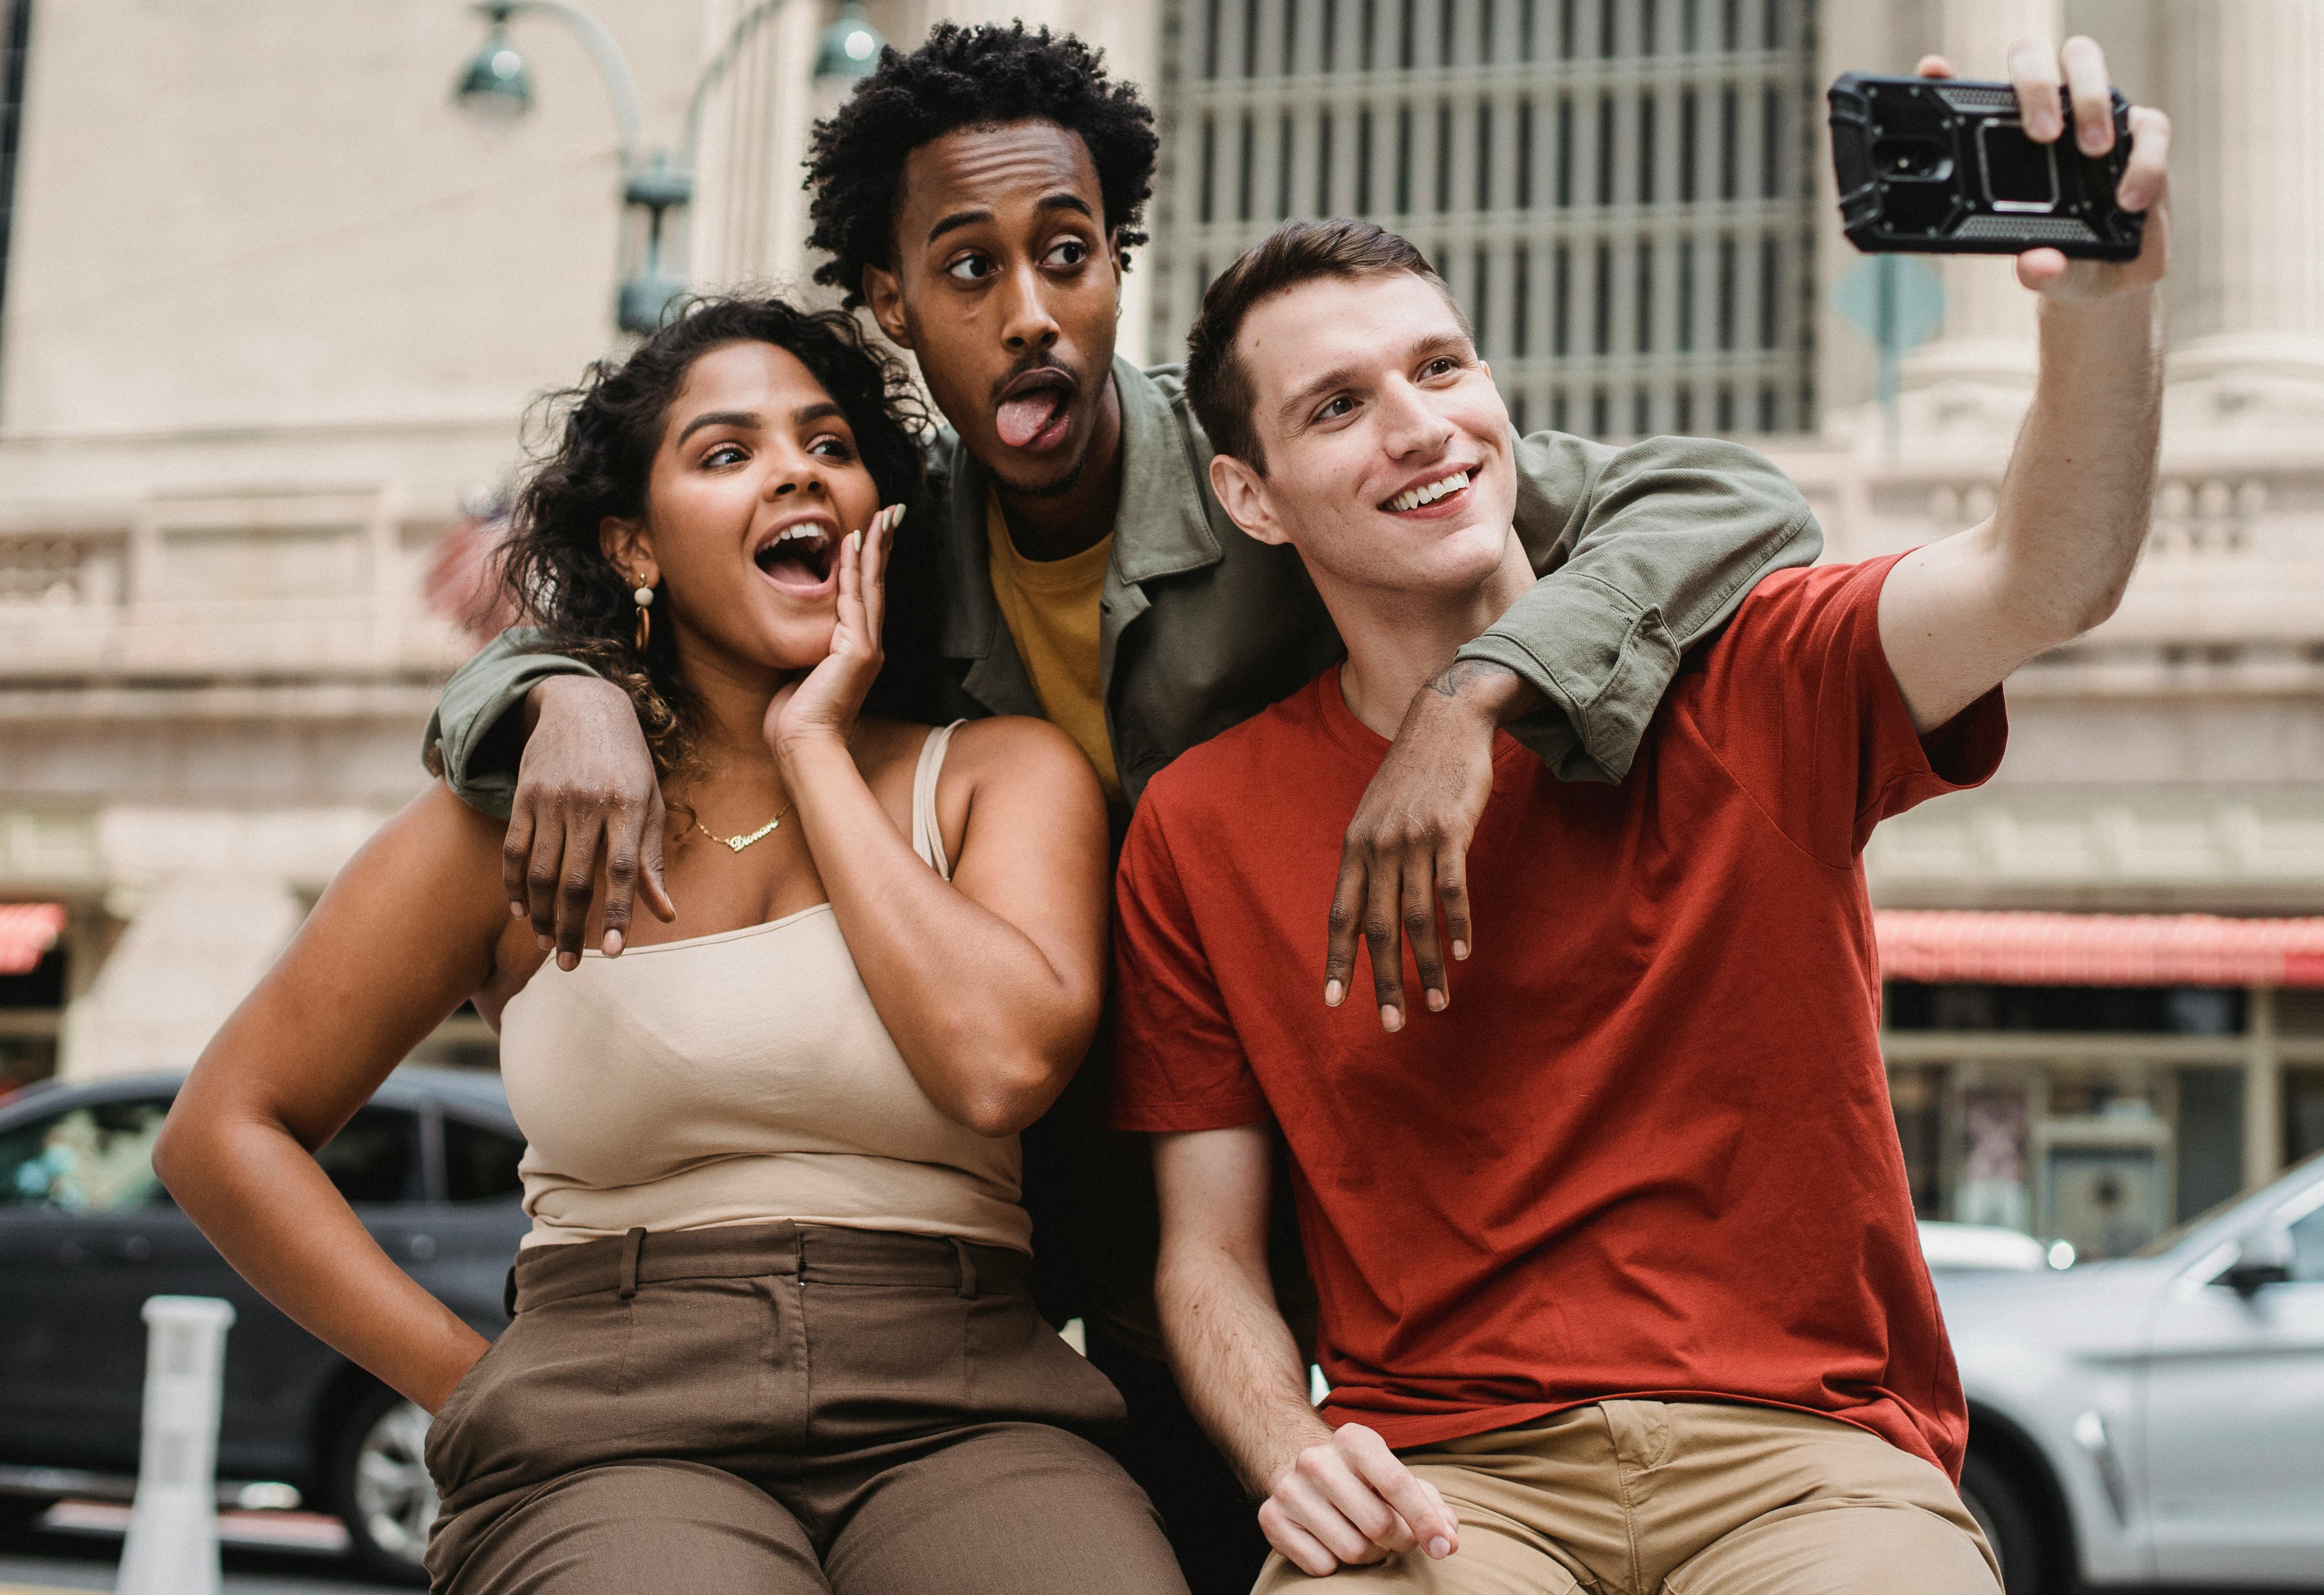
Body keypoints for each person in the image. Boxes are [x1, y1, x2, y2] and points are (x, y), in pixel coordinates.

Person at [423, 24, 1822, 1591]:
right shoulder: (893, 542)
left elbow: (1728, 501)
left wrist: (1477, 689)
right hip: (1076, 1218)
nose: (1030, 314)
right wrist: (563, 694)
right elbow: (645, 599)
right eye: (966, 271)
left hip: (1356, 1155)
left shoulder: (1269, 466)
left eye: (1068, 255)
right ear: (888, 306)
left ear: (1115, 269)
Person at [1111, 38, 2167, 1595]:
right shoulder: (1200, 824)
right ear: (1252, 497)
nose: (1418, 426)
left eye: (1441, 368)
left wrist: (2103, 307)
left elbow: (2044, 572)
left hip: (1803, 1462)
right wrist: (1289, 1451)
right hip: (1448, 1477)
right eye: (1337, 405)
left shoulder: (1756, 663)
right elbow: (1205, 1249)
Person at [154, 298, 1188, 1595]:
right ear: (634, 545)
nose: (796, 468)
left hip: (965, 1396)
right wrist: (468, 1387)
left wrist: (813, 747)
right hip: (608, 1410)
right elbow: (224, 1129)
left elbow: (999, 1066)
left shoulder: (995, 776)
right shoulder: (511, 823)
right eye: (726, 452)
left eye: (827, 442)